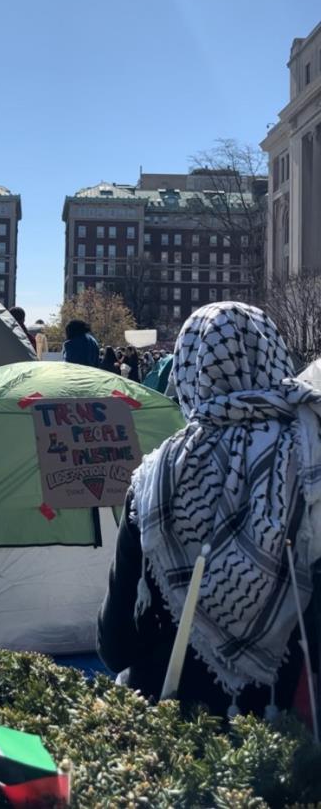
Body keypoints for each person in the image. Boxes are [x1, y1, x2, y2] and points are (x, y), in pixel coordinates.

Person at [98, 301, 321, 718]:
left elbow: (115, 645)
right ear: (274, 354)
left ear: (188, 369)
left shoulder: (156, 479)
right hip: (286, 733)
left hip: (169, 732)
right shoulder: (309, 460)